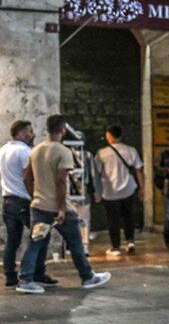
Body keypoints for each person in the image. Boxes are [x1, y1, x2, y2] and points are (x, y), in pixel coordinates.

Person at [16, 114, 110, 294]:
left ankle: (26, 279)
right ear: (63, 129)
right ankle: (87, 276)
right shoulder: (63, 152)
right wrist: (60, 208)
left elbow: (27, 178)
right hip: (59, 208)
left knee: (35, 242)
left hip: (39, 205)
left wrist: (35, 195)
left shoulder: (36, 150)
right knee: (75, 242)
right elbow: (61, 182)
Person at [0, 120, 48, 289]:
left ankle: (10, 276)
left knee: (13, 240)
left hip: (7, 200)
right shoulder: (25, 151)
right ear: (21, 133)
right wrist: (36, 196)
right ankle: (36, 273)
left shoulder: (2, 150)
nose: (32, 135)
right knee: (41, 235)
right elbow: (29, 177)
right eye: (29, 132)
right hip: (23, 200)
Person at [94, 124, 143, 259]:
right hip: (129, 188)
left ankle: (115, 247)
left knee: (113, 220)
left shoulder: (102, 153)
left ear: (109, 136)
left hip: (110, 191)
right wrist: (142, 188)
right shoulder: (131, 150)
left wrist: (97, 192)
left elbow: (96, 173)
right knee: (129, 217)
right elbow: (139, 170)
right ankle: (130, 242)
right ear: (121, 136)